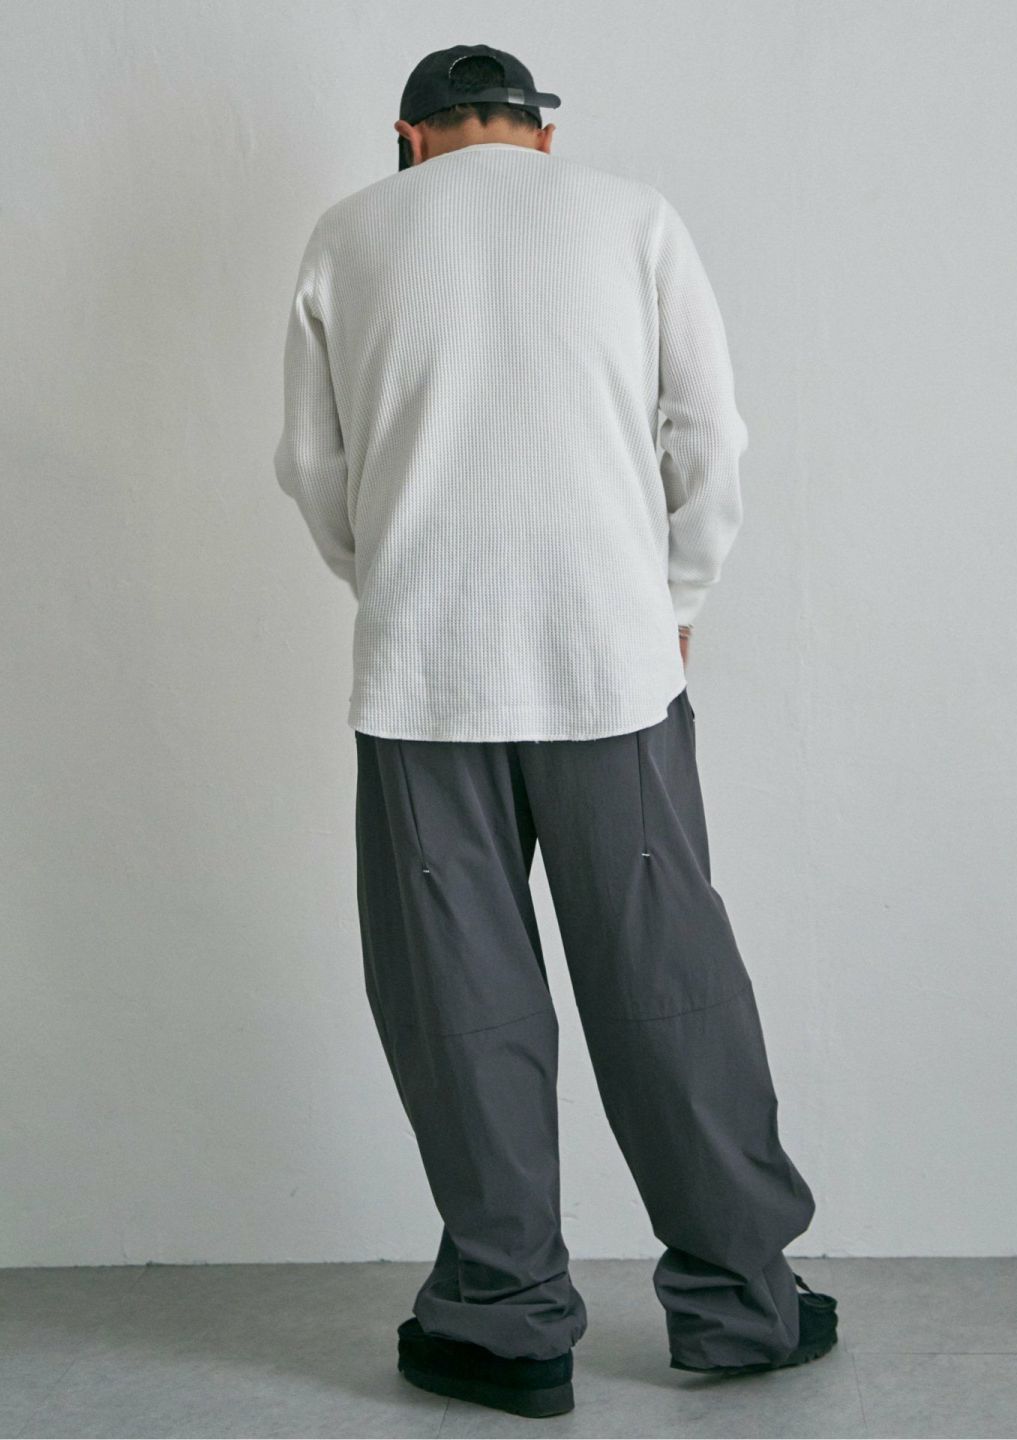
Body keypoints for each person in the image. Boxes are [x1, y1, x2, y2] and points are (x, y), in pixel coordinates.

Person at [273, 42, 837, 1421]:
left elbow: (315, 467)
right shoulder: (632, 217)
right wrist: (674, 600)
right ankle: (743, 1302)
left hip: (426, 674)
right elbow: (710, 436)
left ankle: (505, 1317)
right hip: (609, 663)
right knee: (668, 973)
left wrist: (399, 580)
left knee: (458, 996)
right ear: (538, 133)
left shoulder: (348, 234)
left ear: (410, 135)